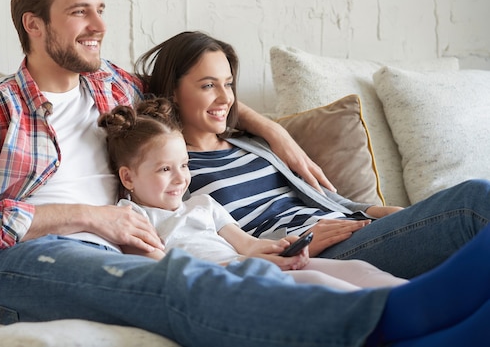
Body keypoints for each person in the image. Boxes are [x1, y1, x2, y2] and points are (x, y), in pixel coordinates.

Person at [0, 0, 490, 347]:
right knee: (178, 282)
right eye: (80, 12)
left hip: (127, 248)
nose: (99, 24)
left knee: (243, 275)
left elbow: (197, 91)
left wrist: (271, 128)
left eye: (100, 8)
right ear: (34, 24)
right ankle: (406, 316)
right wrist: (91, 216)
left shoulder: (114, 88)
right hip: (14, 268)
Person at [135, 30, 490, 279]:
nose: (226, 98)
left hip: (351, 227)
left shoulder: (250, 143)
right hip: (311, 253)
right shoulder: (171, 169)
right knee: (474, 200)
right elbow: (199, 240)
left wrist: (386, 212)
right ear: (173, 91)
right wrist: (291, 244)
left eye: (228, 84)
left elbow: (329, 201)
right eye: (208, 85)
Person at [99, 97, 407, 290]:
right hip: (224, 281)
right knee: (316, 282)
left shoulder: (203, 203)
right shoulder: (132, 219)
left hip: (247, 266)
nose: (181, 178)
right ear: (128, 177)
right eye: (165, 170)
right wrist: (250, 265)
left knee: (356, 269)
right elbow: (162, 272)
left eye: (184, 165)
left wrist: (282, 249)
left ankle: (420, 298)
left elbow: (249, 245)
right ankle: (407, 317)